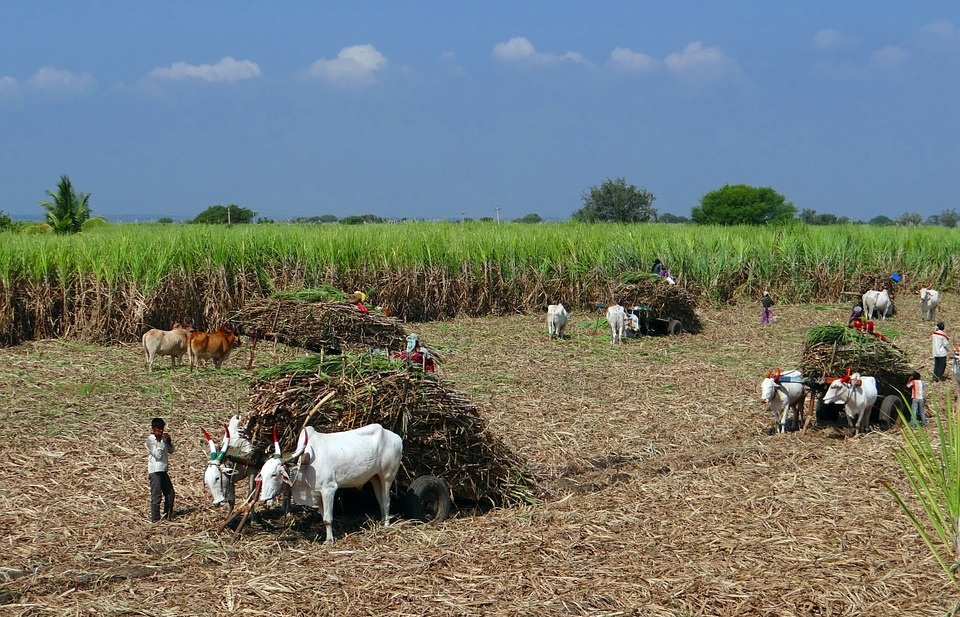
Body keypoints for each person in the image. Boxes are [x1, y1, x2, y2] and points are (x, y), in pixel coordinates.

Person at [146, 417, 175, 522]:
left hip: (163, 470)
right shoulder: (150, 441)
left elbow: (171, 451)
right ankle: (155, 520)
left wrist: (169, 441)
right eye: (158, 429)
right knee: (156, 496)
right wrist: (159, 441)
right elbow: (157, 455)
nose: (161, 431)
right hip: (155, 472)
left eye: (162, 428)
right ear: (153, 429)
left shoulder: (163, 439)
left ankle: (168, 516)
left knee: (170, 493)